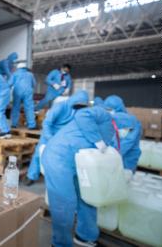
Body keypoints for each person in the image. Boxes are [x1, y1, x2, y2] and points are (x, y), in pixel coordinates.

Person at [42, 106, 115, 247]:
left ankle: (85, 236)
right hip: (58, 157)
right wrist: (97, 139)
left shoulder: (119, 135)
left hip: (80, 162)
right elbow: (83, 114)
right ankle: (60, 244)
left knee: (87, 197)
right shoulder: (104, 114)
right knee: (64, 203)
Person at [25, 90, 89, 186]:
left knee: (62, 157)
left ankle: (58, 178)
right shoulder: (60, 106)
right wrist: (50, 138)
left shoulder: (80, 109)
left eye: (82, 105)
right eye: (78, 105)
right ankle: (31, 176)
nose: (79, 108)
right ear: (73, 100)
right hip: (50, 133)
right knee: (39, 153)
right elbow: (47, 123)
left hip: (63, 136)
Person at [105, 95, 142, 171]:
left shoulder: (131, 121)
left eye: (109, 109)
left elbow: (129, 141)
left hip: (127, 159)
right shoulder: (111, 119)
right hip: (115, 157)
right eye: (106, 109)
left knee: (124, 178)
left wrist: (113, 154)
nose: (108, 111)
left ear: (118, 107)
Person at [10, 62, 36, 129]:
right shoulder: (30, 74)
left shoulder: (15, 74)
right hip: (28, 92)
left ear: (18, 68)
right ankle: (31, 125)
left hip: (17, 92)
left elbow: (9, 84)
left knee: (16, 107)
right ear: (25, 68)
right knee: (29, 108)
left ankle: (14, 124)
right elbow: (34, 84)